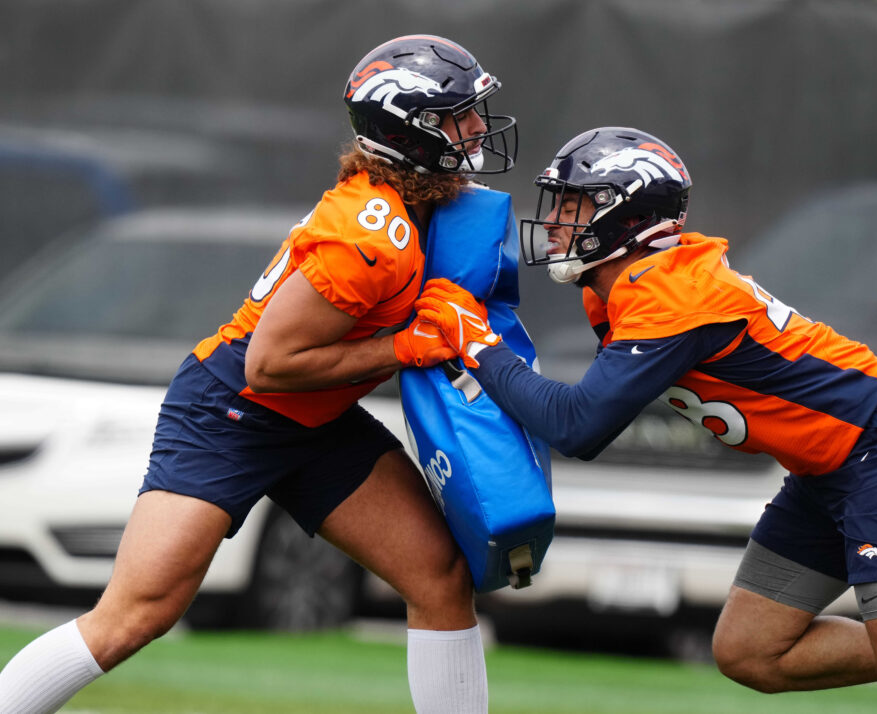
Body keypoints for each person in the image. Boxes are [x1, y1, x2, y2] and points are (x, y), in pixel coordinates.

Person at [408, 126, 877, 713]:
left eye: (574, 204)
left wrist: (480, 347)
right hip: (829, 462)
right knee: (751, 651)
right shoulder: (623, 285)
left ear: (629, 215)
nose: (557, 220)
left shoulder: (670, 294)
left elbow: (577, 427)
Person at [0, 34, 517, 714]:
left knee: (441, 576)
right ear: (406, 133)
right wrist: (406, 347)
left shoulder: (420, 204)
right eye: (457, 115)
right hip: (233, 411)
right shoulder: (368, 237)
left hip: (317, 420)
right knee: (135, 615)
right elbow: (269, 367)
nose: (477, 129)